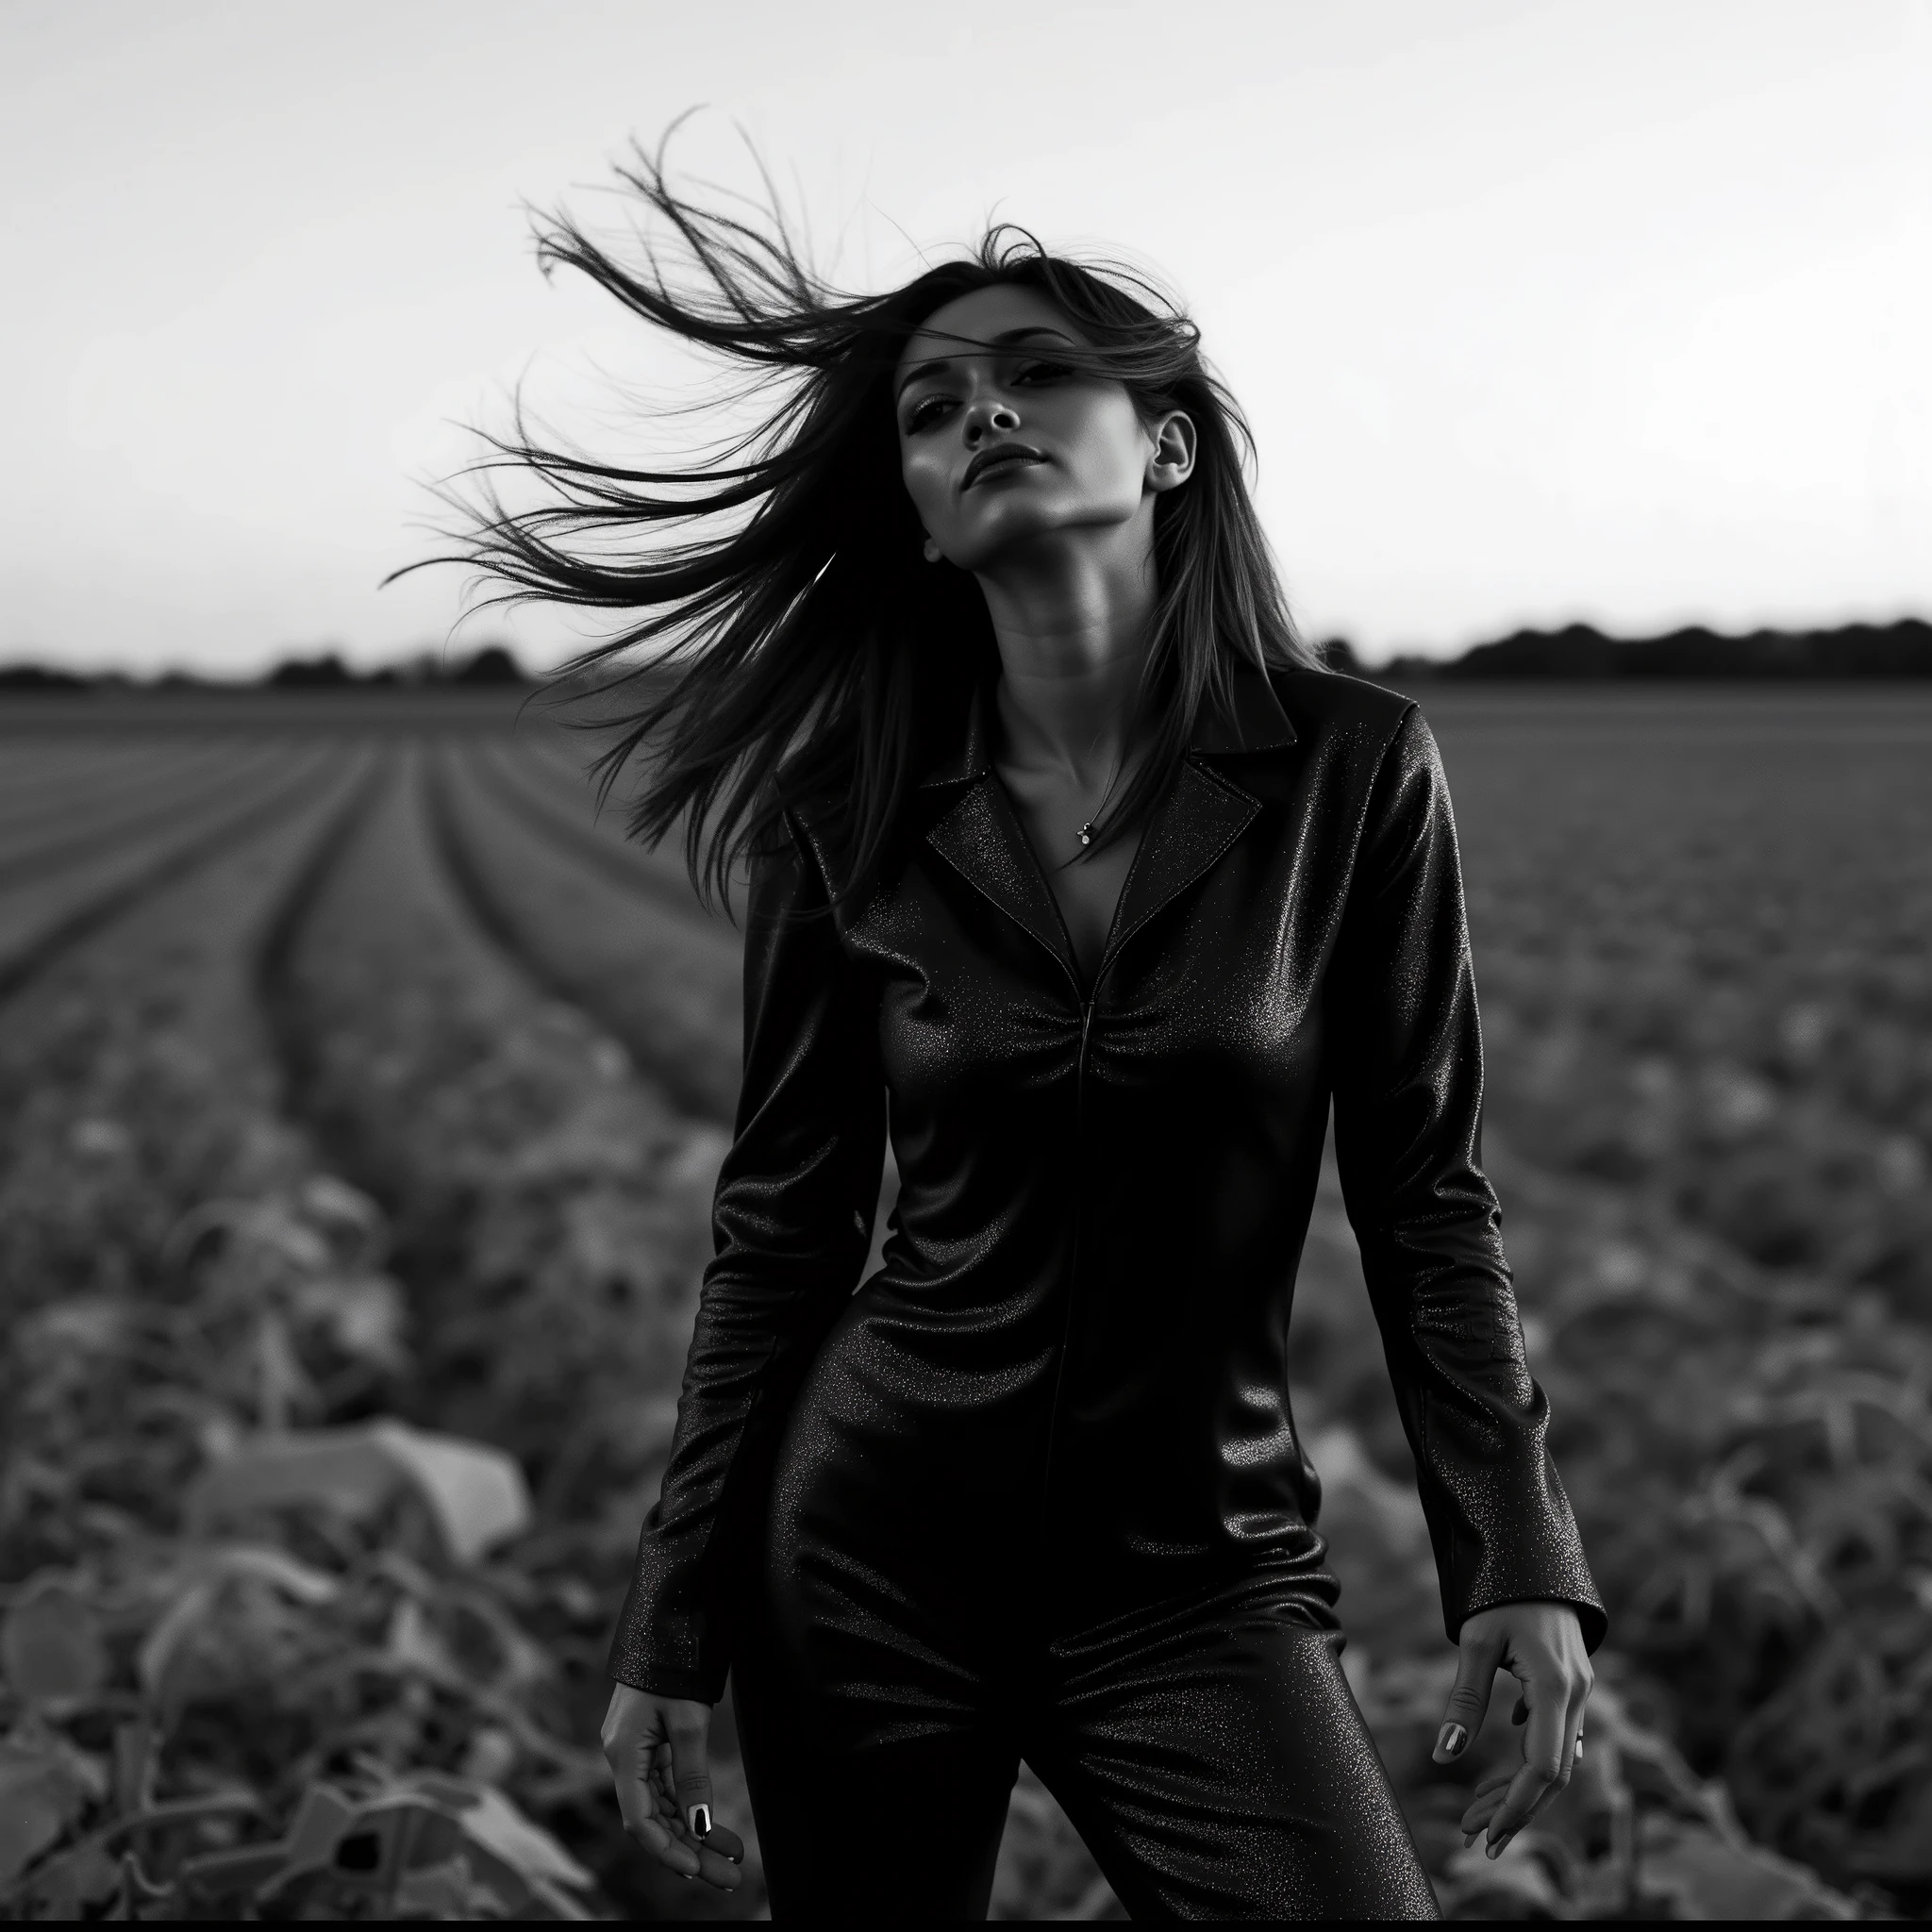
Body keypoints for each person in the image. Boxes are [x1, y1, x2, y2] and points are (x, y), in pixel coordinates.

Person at [458, 148, 1603, 1920]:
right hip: (865, 1559)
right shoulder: (840, 814)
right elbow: (779, 1230)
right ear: (917, 509)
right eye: (935, 406)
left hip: (1198, 1572)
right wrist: (669, 1623)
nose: (983, 411)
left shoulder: (1352, 768)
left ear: (1166, 442)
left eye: (1038, 373)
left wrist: (1513, 1552)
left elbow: (1426, 1193)